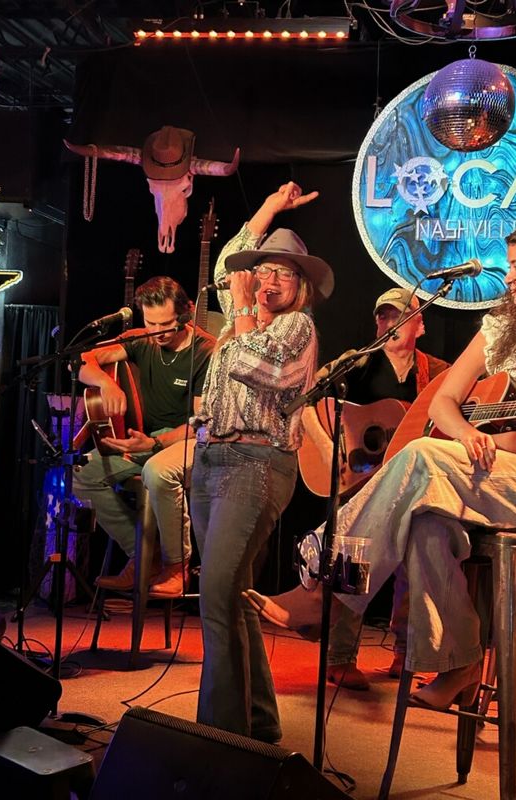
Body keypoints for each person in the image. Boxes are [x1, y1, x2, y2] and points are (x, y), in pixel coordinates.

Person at [244, 219, 516, 711]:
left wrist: (487, 444)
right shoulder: (500, 327)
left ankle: (323, 582)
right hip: (494, 469)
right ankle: (458, 661)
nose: (509, 277)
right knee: (426, 523)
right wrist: (468, 435)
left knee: (424, 456)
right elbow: (444, 402)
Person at [189, 182, 334, 742]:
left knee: (218, 594)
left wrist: (246, 305)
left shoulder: (297, 327)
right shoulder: (242, 311)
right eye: (264, 270)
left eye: (283, 274)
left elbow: (255, 368)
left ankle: (221, 738)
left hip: (257, 463)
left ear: (301, 286)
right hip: (211, 459)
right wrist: (271, 206)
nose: (269, 280)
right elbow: (229, 259)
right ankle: (260, 723)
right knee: (234, 596)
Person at [309, 288, 449, 690]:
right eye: (384, 317)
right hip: (360, 479)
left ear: (420, 325)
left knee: (418, 555)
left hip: (412, 482)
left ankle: (407, 652)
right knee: (354, 553)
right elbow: (307, 400)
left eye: (400, 317)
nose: (391, 324)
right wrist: (327, 446)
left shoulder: (438, 372)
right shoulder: (358, 363)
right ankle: (339, 657)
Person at [73, 276, 214, 598]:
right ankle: (143, 557)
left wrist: (154, 444)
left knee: (157, 472)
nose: (158, 332)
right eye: (151, 323)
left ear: (186, 313)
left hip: (186, 445)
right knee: (82, 473)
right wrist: (106, 384)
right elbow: (81, 360)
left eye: (166, 324)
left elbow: (200, 424)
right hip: (144, 442)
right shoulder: (142, 339)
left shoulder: (207, 352)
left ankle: (177, 566)